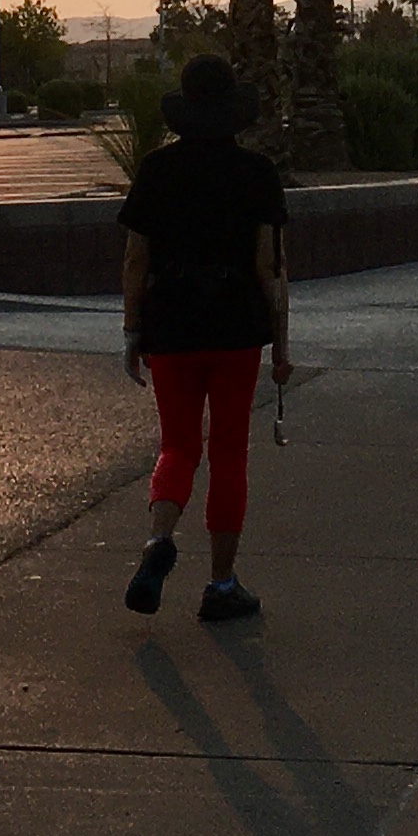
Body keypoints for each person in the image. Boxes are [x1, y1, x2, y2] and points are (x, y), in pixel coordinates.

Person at [117, 52, 290, 625]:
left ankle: (158, 540)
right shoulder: (257, 172)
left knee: (178, 446)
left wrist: (132, 329)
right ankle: (221, 584)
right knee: (229, 452)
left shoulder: (156, 170)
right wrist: (282, 346)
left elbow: (136, 258)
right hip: (237, 325)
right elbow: (270, 267)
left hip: (171, 324)